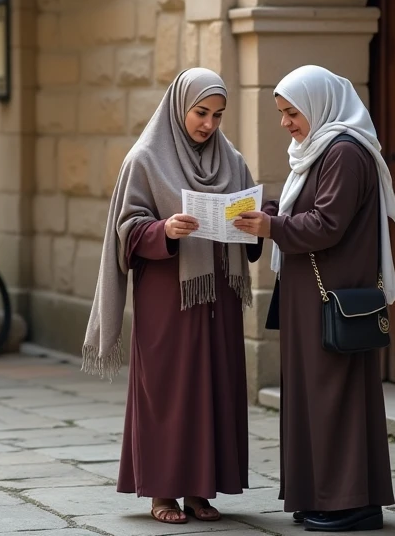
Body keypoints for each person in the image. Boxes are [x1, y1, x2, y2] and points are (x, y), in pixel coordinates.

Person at [82, 68, 262, 525]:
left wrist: (253, 222)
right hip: (167, 295)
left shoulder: (232, 160)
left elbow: (249, 222)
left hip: (217, 295)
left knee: (214, 387)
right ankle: (162, 492)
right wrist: (165, 229)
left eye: (218, 115)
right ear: (179, 105)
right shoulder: (144, 159)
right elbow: (126, 230)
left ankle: (201, 491)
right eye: (201, 112)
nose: (209, 124)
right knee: (168, 390)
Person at [234, 66, 395, 532]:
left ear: (320, 105)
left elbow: (328, 224)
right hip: (313, 296)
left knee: (335, 398)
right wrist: (267, 215)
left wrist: (272, 227)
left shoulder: (344, 152)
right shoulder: (318, 150)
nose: (285, 123)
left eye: (292, 113)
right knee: (314, 398)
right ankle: (320, 496)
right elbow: (305, 212)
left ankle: (351, 503)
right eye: (282, 113)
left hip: (333, 296)